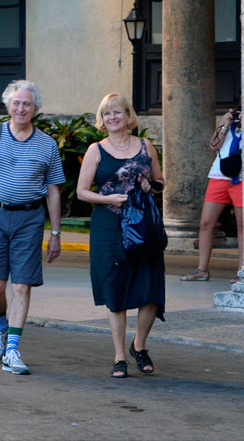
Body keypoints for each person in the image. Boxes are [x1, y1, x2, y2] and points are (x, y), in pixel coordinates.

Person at [0, 80, 64, 375]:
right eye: (17, 103)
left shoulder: (47, 145)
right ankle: (1, 328)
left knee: (22, 285)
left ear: (35, 109)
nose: (21, 108)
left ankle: (12, 350)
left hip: (29, 220)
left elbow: (54, 190)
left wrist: (55, 233)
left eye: (27, 104)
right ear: (8, 105)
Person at [76, 92, 166, 379]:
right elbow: (82, 191)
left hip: (142, 226)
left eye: (118, 112)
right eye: (107, 114)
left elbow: (160, 181)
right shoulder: (95, 150)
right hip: (108, 225)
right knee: (115, 289)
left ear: (129, 116)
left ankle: (139, 346)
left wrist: (150, 186)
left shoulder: (146, 146)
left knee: (150, 289)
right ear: (102, 120)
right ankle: (118, 357)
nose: (113, 117)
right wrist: (107, 200)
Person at [181, 108, 243, 283]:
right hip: (219, 176)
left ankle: (242, 271)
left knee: (242, 226)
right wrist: (224, 125)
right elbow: (213, 146)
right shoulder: (227, 125)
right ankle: (202, 270)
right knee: (206, 223)